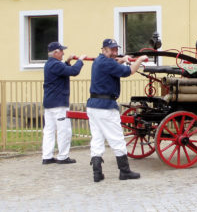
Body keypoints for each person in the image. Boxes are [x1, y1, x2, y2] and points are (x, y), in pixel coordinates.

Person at [86, 38, 148, 182]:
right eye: (112, 50)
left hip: (93, 105)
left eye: (116, 50)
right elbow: (130, 71)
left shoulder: (98, 61)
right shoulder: (107, 63)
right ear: (104, 50)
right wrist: (140, 59)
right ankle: (124, 171)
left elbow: (112, 65)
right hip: (106, 107)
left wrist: (122, 59)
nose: (115, 52)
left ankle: (97, 173)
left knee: (97, 138)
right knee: (117, 139)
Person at [42, 42, 86, 164]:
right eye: (61, 51)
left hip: (49, 103)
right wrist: (80, 60)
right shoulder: (56, 65)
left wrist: (67, 61)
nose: (63, 53)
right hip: (59, 104)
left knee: (49, 131)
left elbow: (63, 70)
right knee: (64, 130)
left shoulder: (50, 64)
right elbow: (73, 71)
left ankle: (47, 156)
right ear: (55, 52)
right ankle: (63, 156)